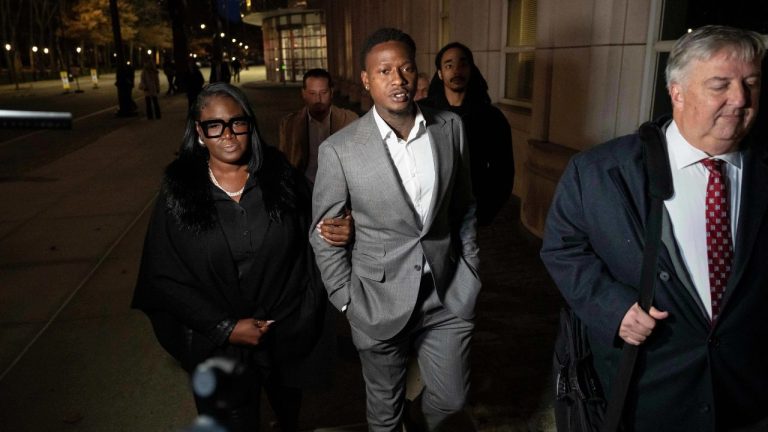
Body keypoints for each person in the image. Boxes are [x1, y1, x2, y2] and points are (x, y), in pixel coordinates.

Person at [540, 25, 768, 431]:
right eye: (721, 85)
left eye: (750, 83)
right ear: (677, 92)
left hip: (743, 396)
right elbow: (562, 248)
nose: (740, 99)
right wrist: (611, 308)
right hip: (645, 393)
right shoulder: (600, 172)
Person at [132, 83, 340, 432]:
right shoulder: (179, 194)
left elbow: (315, 237)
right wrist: (225, 328)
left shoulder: (281, 179)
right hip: (219, 343)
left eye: (236, 122)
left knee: (289, 413)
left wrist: (340, 232)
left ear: (249, 125)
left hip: (284, 332)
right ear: (200, 133)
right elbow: (163, 276)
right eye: (214, 125)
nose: (227, 134)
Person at [310, 28, 480, 431]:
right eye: (384, 71)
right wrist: (348, 301)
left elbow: (464, 206)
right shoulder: (340, 150)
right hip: (377, 301)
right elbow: (323, 234)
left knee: (452, 400)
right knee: (385, 414)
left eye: (405, 68)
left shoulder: (450, 127)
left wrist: (470, 272)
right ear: (367, 81)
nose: (398, 79)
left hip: (446, 295)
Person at [421, 42, 514, 226]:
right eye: (449, 65)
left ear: (471, 69)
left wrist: (483, 214)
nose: (456, 70)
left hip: (470, 214)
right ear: (440, 73)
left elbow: (503, 172)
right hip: (427, 214)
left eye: (463, 64)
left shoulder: (491, 118)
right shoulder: (422, 114)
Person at [278, 68, 358, 185]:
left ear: (331, 92)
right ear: (303, 94)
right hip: (303, 190)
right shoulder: (289, 124)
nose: (318, 99)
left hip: (339, 189)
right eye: (312, 93)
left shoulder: (350, 120)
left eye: (323, 93)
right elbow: (283, 162)